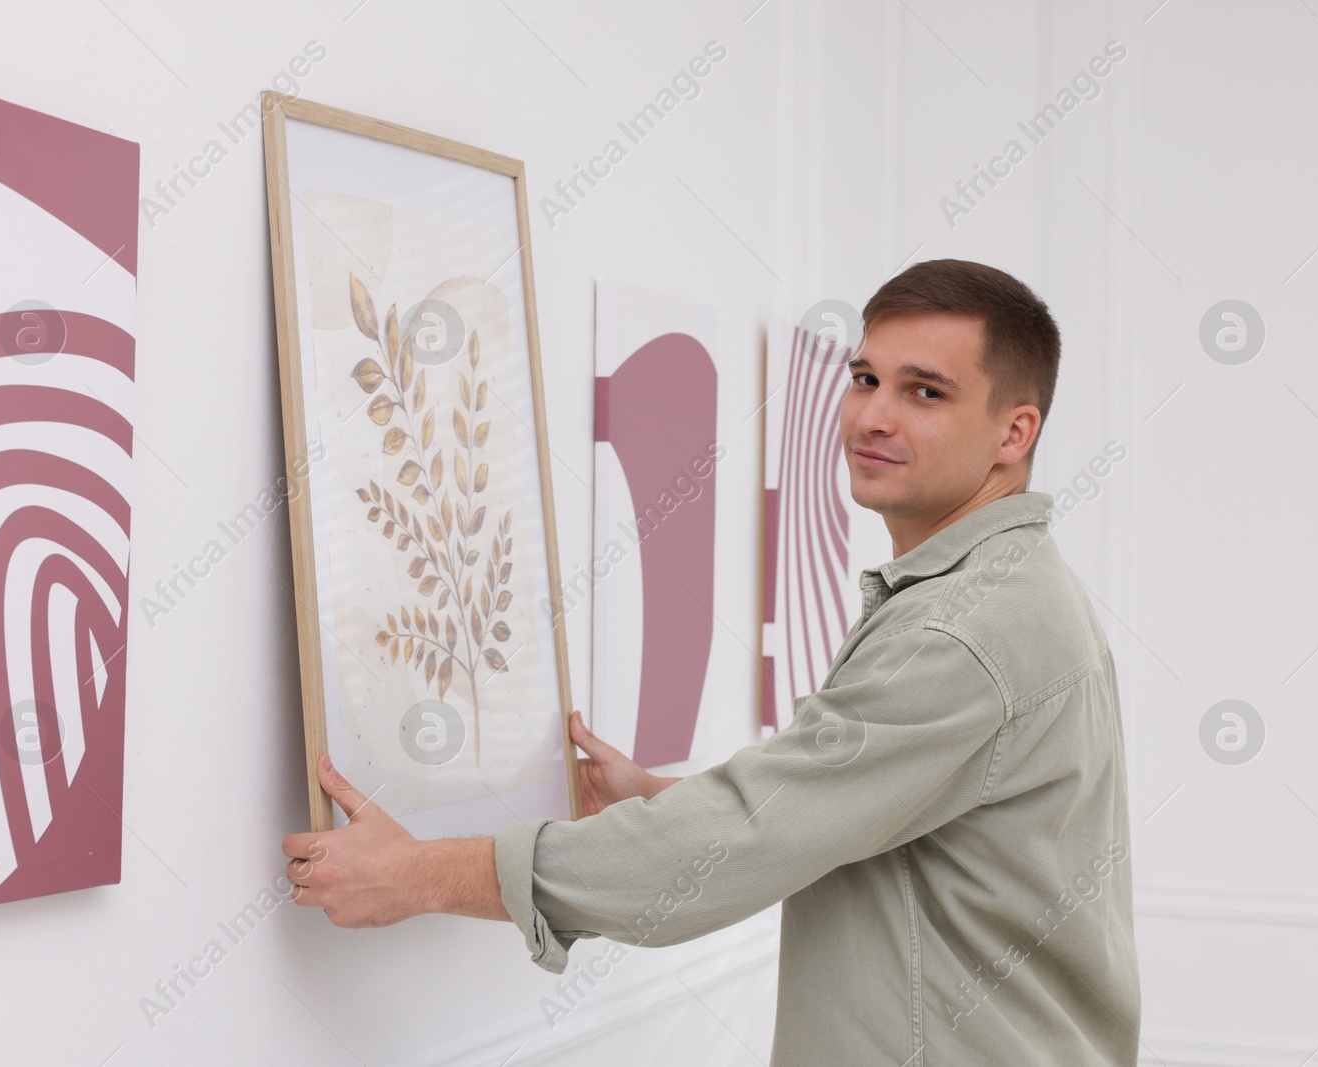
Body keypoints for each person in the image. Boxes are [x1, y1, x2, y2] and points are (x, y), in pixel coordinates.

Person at [283, 258, 1141, 1065]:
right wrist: (658, 795)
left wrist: (420, 874)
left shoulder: (959, 631)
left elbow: (727, 849)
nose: (874, 415)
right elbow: (841, 801)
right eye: (866, 378)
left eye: (926, 391)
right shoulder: (1011, 589)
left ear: (1013, 430)